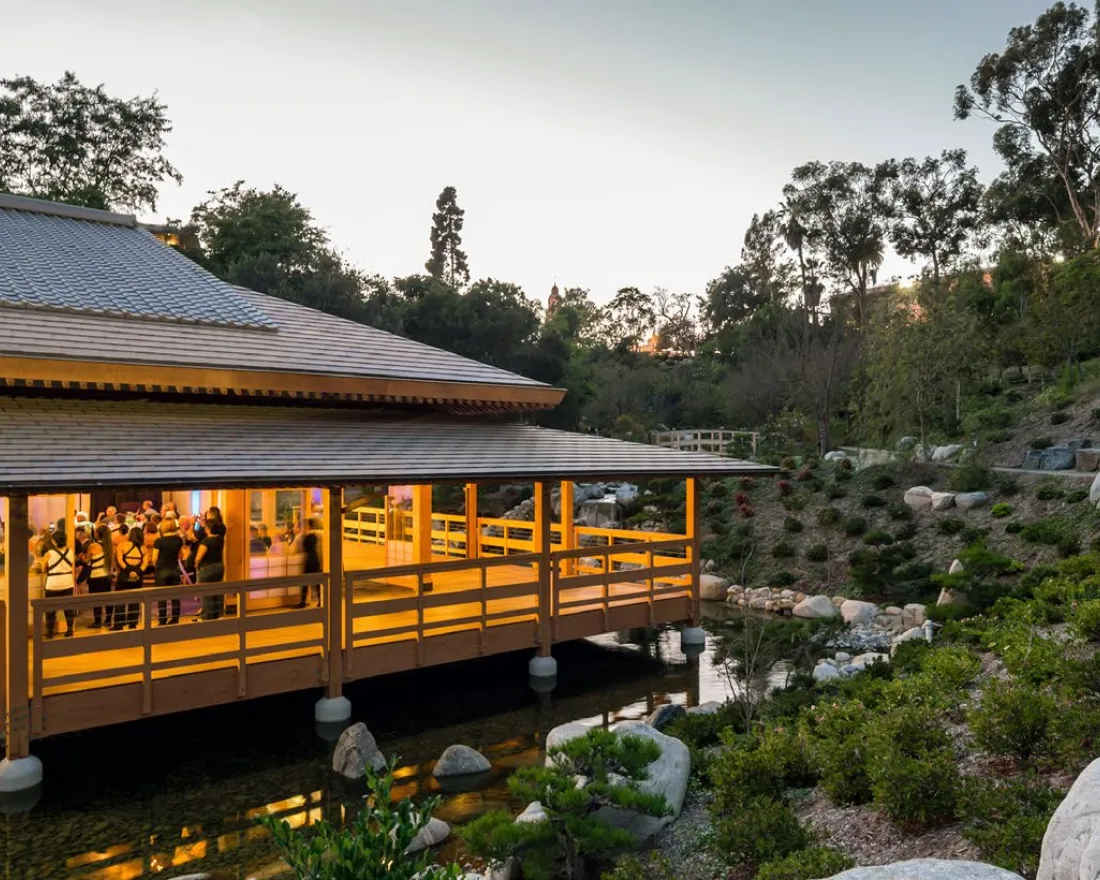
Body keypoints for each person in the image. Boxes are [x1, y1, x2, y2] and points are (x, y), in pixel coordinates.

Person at [43, 530, 76, 638]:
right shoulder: (70, 552)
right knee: (68, 608)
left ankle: (50, 633)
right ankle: (70, 630)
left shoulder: (49, 554)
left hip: (53, 583)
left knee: (50, 610)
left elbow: (43, 568)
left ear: (54, 541)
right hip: (67, 582)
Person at [195, 507, 226, 620]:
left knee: (206, 592)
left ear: (208, 529)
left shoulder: (206, 541)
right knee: (218, 591)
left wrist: (196, 565)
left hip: (206, 567)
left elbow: (199, 557)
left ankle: (206, 615)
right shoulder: (220, 539)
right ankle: (219, 614)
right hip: (219, 565)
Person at [152, 519, 185, 625]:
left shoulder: (159, 541)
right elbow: (181, 555)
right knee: (175, 596)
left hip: (162, 569)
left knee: (161, 596)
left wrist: (156, 566)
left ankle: (162, 619)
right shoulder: (178, 540)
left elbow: (154, 558)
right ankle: (175, 618)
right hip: (174, 568)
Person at [112, 526, 145, 630]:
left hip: (124, 575)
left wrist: (128, 571)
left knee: (120, 600)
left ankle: (119, 624)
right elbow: (144, 564)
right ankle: (132, 623)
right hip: (137, 577)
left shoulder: (122, 545)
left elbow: (120, 561)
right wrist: (136, 572)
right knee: (135, 600)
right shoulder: (143, 548)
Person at [85, 524, 113, 629]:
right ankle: (108, 620)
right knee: (107, 599)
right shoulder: (110, 546)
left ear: (98, 534)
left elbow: (87, 560)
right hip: (106, 576)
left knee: (96, 600)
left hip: (96, 576)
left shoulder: (93, 546)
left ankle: (97, 621)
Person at [297, 517, 323, 608]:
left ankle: (303, 601)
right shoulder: (319, 535)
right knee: (317, 581)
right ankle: (320, 601)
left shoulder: (307, 536)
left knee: (305, 580)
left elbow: (303, 547)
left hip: (309, 559)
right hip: (316, 559)